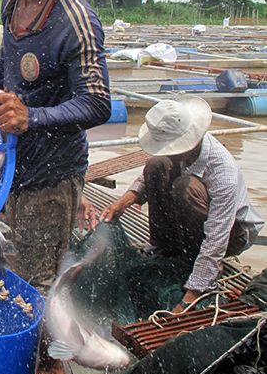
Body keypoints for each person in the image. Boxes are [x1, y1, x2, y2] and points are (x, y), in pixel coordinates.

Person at [0, 0, 111, 374]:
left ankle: (46, 368)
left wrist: (31, 118)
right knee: (6, 263)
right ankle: (17, 351)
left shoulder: (74, 19)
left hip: (52, 174)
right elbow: (10, 67)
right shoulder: (13, 0)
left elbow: (97, 102)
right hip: (13, 163)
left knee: (37, 280)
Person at [100, 96, 264, 313]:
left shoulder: (223, 172)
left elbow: (217, 237)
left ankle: (196, 264)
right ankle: (165, 248)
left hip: (232, 233)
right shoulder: (179, 155)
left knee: (185, 187)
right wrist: (124, 201)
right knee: (155, 164)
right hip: (199, 224)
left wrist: (191, 295)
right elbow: (144, 179)